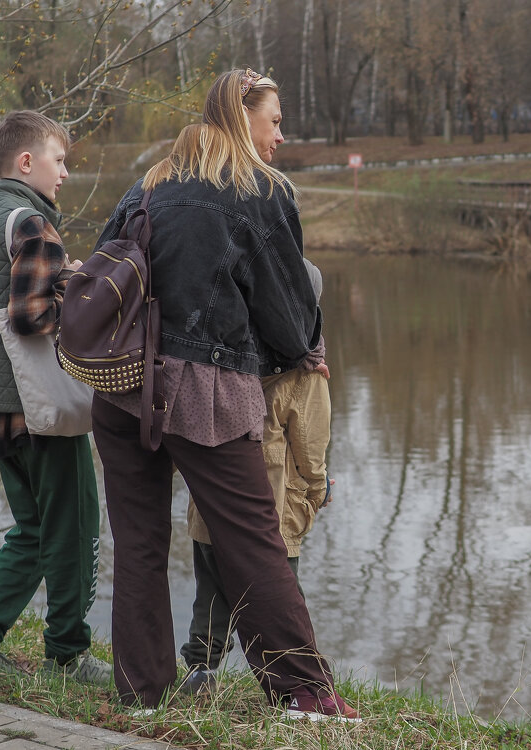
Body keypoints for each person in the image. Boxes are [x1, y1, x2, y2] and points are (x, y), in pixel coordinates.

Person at [89, 68, 359, 721]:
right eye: (274, 120)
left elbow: (107, 272)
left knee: (141, 541)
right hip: (206, 392)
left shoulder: (148, 184)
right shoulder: (260, 191)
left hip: (122, 387)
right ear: (245, 120)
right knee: (253, 540)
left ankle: (141, 695)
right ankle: (303, 693)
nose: (280, 134)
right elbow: (292, 326)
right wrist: (297, 355)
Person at [0, 111, 111, 687]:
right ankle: (67, 654)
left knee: (32, 529)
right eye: (58, 160)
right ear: (26, 162)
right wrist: (80, 290)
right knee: (74, 528)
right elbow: (30, 316)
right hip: (40, 405)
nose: (64, 172)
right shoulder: (33, 224)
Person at [181, 258, 333, 692]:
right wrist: (318, 491)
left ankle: (201, 671)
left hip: (211, 506)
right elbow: (311, 450)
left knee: (211, 595)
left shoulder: (216, 354)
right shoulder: (304, 374)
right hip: (271, 515)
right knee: (281, 598)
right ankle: (299, 682)